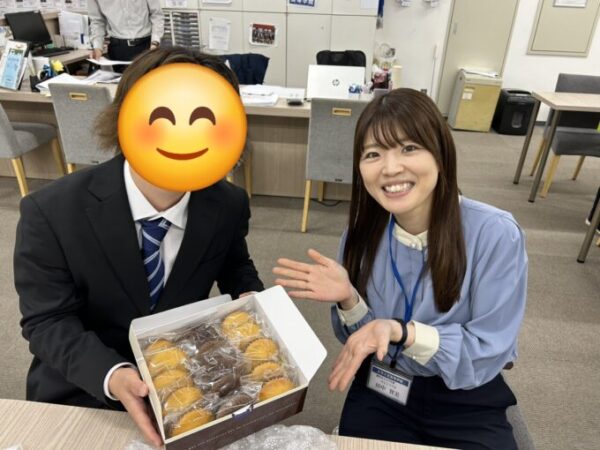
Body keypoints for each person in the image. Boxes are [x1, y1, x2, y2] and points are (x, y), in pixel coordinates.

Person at [14, 47, 264, 447]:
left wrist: (252, 299)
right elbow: (47, 321)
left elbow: (236, 266)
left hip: (188, 385)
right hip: (84, 389)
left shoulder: (228, 205)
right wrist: (113, 376)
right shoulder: (51, 211)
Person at [274, 89, 527, 449]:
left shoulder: (495, 234)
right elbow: (363, 340)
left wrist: (402, 331)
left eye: (409, 148)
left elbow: (489, 348)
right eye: (373, 154)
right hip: (384, 387)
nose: (390, 168)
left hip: (464, 395)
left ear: (440, 154)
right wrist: (349, 300)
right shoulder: (362, 233)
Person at [89, 0, 164, 71]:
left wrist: (155, 43)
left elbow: (156, 15)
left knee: (148, 79)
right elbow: (97, 21)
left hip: (147, 46)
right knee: (122, 79)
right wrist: (97, 47)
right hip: (118, 49)